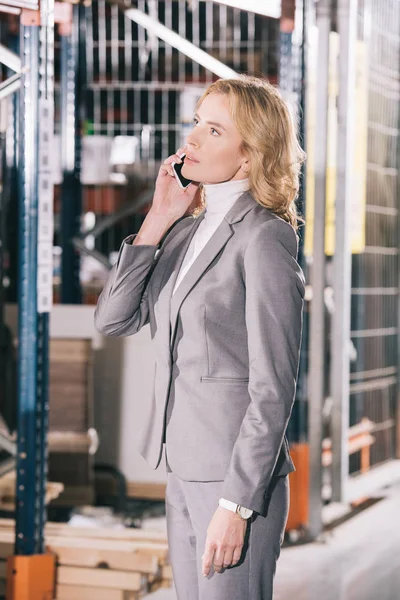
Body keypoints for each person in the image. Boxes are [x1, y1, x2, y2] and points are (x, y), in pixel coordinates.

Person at [94, 75, 306, 600]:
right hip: (182, 464)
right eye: (196, 124)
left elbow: (273, 387)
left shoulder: (263, 236)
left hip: (234, 478)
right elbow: (114, 319)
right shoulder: (187, 229)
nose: (192, 140)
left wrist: (237, 504)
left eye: (214, 130)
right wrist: (158, 218)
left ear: (251, 154)